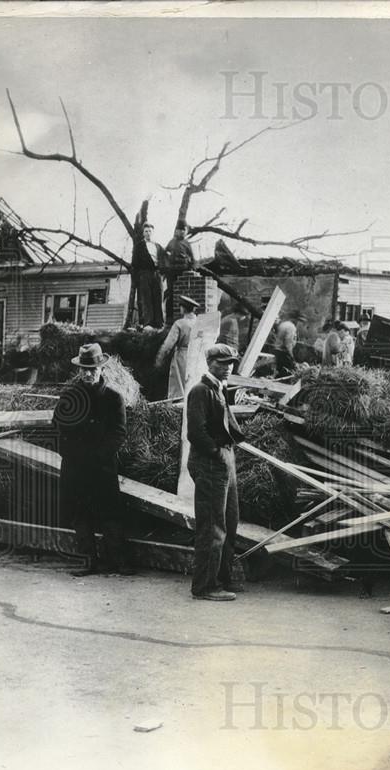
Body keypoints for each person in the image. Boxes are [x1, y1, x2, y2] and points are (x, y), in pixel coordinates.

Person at [55, 343, 134, 577]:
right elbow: (58, 429)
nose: (88, 374)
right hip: (75, 466)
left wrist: (99, 456)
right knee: (80, 514)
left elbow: (119, 432)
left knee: (110, 512)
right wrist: (72, 454)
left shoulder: (113, 398)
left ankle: (117, 560)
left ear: (102, 370)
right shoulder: (69, 397)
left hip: (102, 466)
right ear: (79, 371)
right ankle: (88, 561)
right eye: (84, 370)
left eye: (93, 369)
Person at [186, 344, 246, 602]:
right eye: (222, 363)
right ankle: (205, 586)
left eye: (231, 363)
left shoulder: (219, 389)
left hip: (225, 461)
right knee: (212, 526)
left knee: (230, 522)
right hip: (211, 463)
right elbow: (196, 433)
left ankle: (222, 577)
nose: (227, 367)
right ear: (209, 363)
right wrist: (216, 453)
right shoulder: (200, 391)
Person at [155, 295, 200, 399]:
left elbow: (168, 345)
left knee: (179, 386)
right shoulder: (199, 323)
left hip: (182, 357)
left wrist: (159, 360)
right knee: (193, 383)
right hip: (197, 357)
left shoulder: (180, 324)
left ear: (183, 308)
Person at [132, 222, 166, 328]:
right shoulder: (139, 246)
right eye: (146, 231)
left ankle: (159, 323)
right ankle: (148, 323)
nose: (148, 233)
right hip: (144, 274)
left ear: (153, 232)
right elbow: (135, 263)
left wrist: (162, 272)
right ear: (143, 233)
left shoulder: (159, 247)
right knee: (147, 299)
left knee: (158, 297)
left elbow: (164, 260)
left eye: (150, 231)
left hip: (157, 274)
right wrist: (138, 278)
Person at [164, 220, 196, 323]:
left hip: (183, 272)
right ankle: (169, 318)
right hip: (172, 272)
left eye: (183, 230)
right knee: (171, 294)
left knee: (183, 294)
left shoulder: (186, 244)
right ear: (176, 231)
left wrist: (191, 269)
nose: (181, 232)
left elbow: (193, 259)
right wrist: (166, 267)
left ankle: (183, 317)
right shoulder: (171, 242)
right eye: (179, 230)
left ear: (186, 231)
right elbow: (164, 255)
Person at [273, 309, 305, 377]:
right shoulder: (291, 327)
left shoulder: (283, 324)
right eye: (299, 321)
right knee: (288, 374)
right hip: (284, 353)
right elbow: (288, 344)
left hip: (277, 351)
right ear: (295, 320)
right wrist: (292, 358)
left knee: (280, 371)